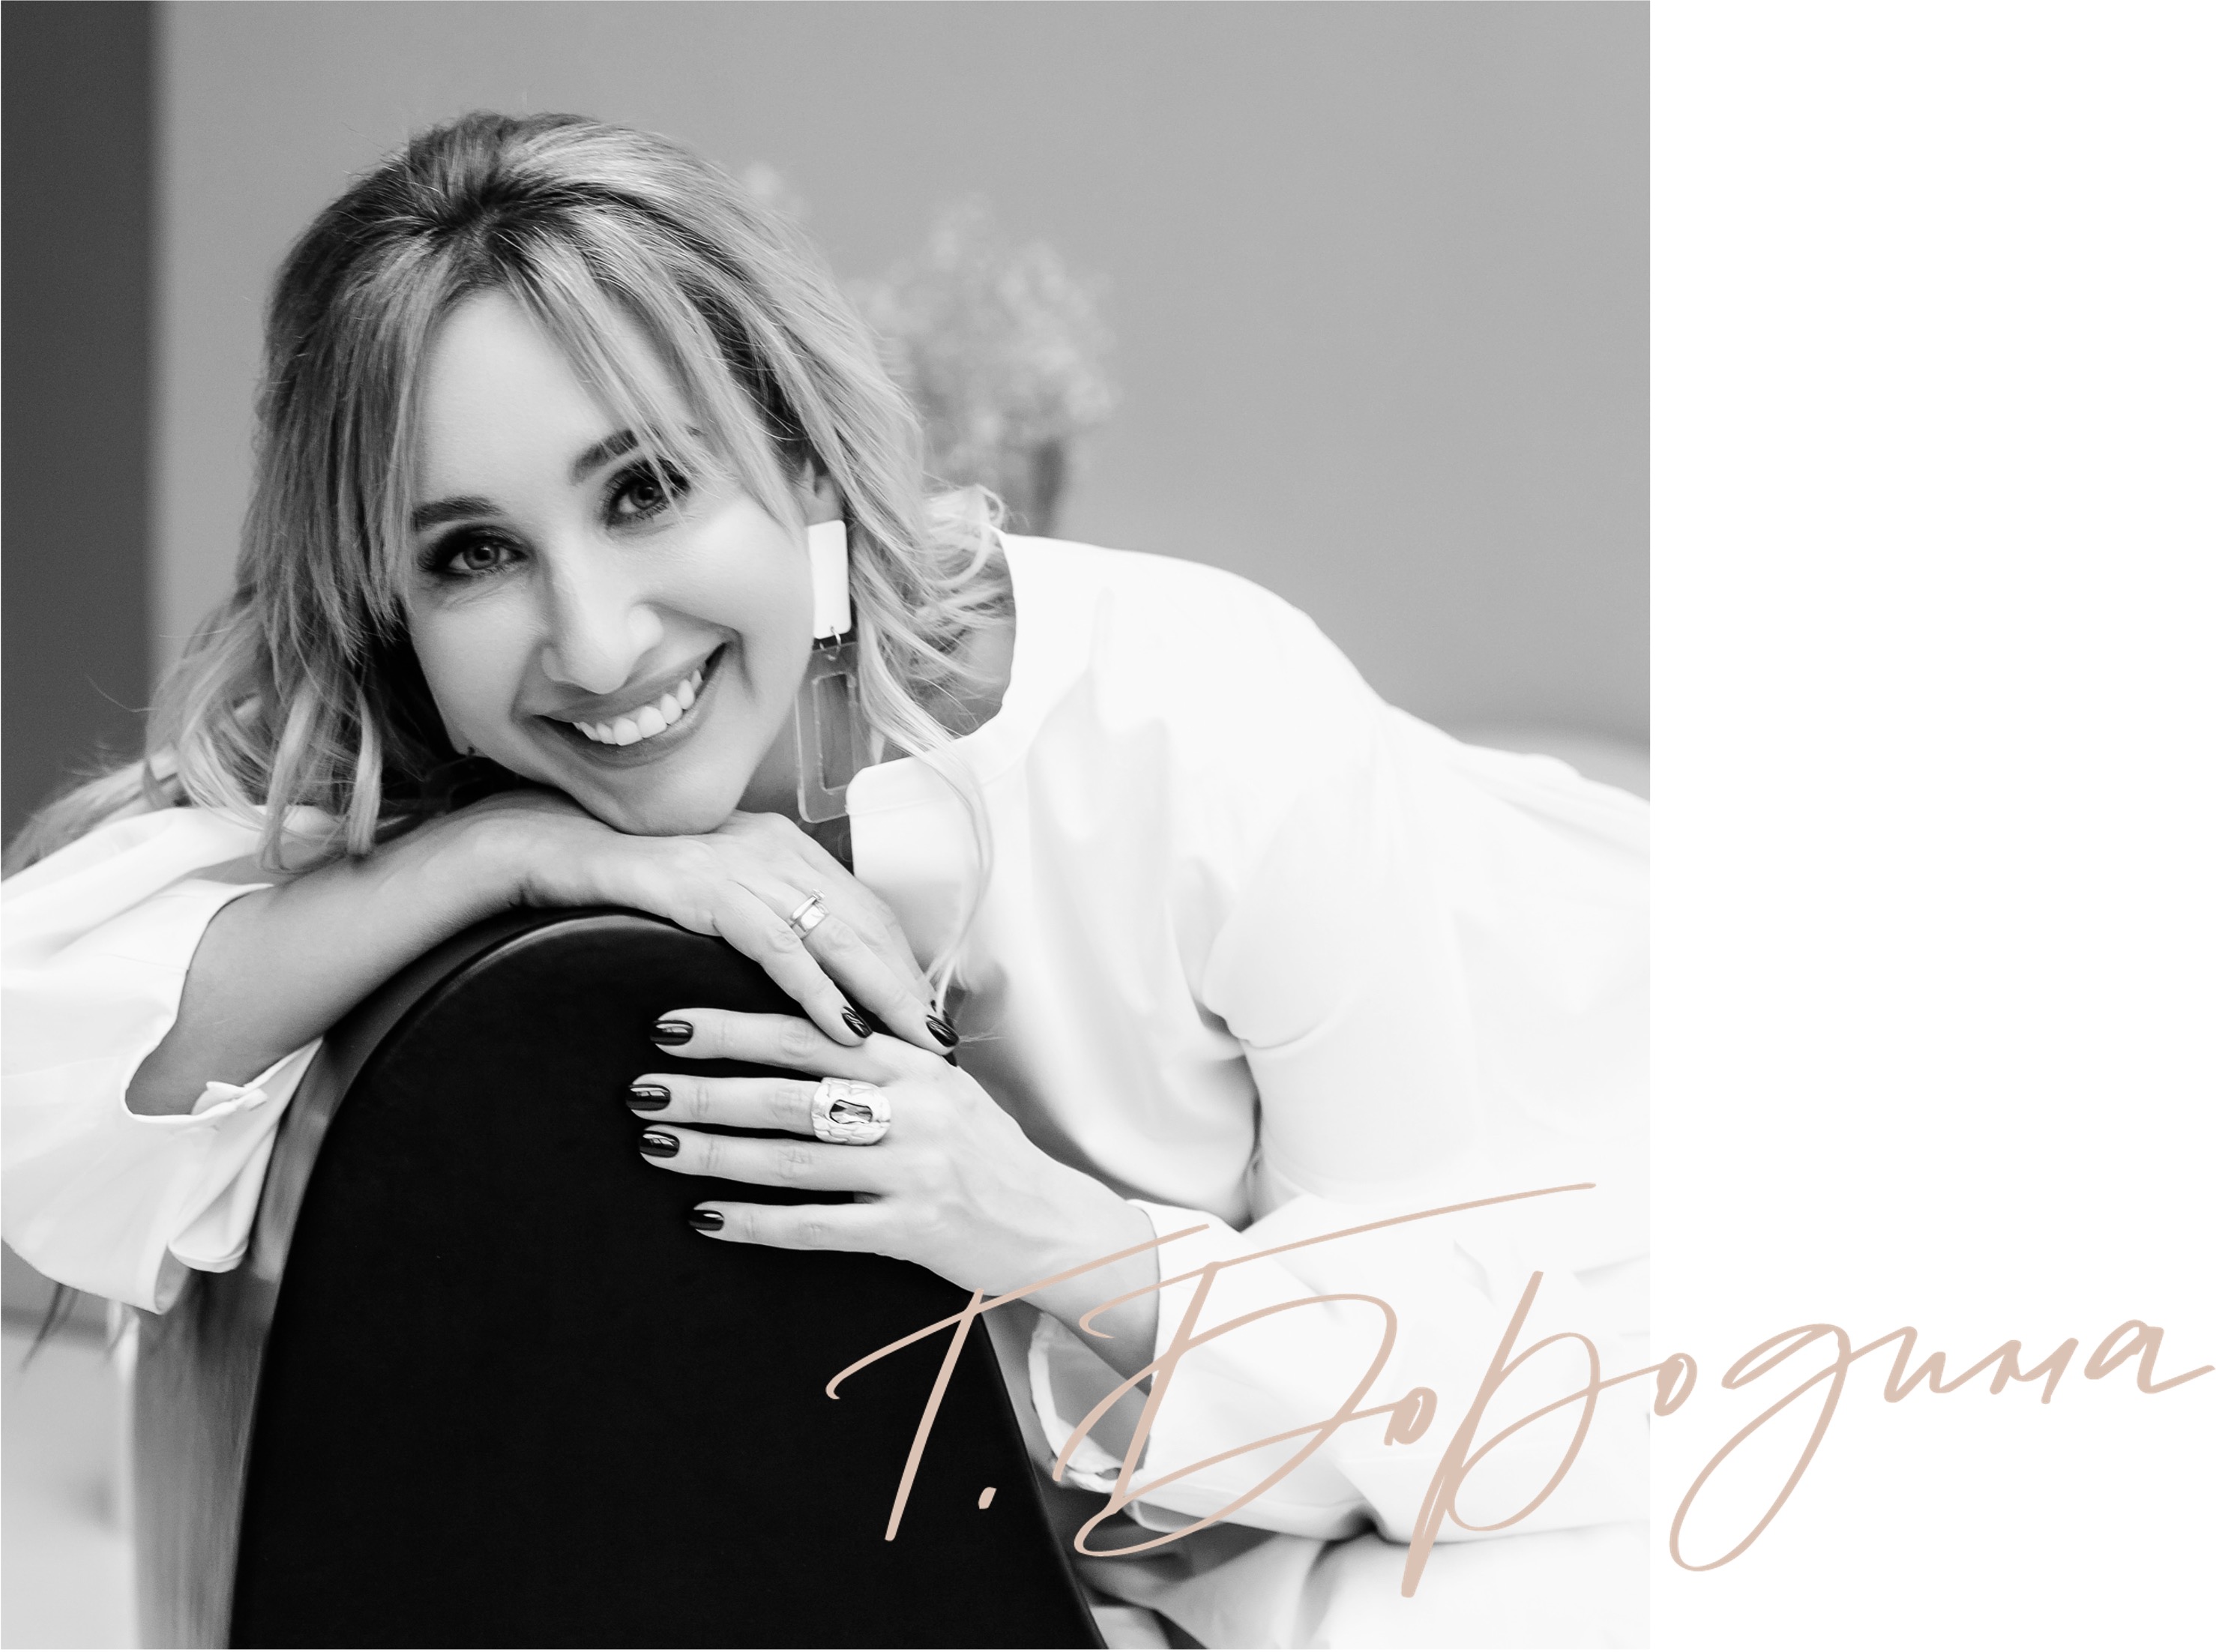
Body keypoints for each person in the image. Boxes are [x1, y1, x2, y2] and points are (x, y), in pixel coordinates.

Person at [1, 112, 1649, 1648]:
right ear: (393, 611)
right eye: (474, 554)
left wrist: (1028, 1223)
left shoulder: (1196, 718)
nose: (596, 644)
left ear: (798, 465)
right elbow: (40, 1055)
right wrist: (514, 850)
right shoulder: (493, 788)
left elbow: (1477, 1390)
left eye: (646, 490)